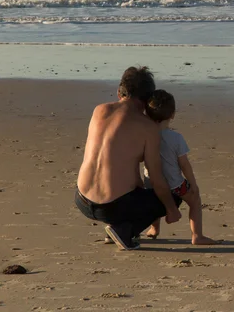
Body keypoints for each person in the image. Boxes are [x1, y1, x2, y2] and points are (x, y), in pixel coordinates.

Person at [75, 66, 182, 251]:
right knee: (174, 195)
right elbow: (157, 179)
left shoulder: (99, 110)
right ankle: (124, 230)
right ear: (148, 99)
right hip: (111, 206)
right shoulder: (148, 128)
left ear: (119, 92)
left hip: (82, 199)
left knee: (126, 186)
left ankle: (115, 228)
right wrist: (172, 209)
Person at [143, 89, 219, 245]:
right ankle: (197, 235)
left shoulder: (145, 136)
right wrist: (193, 184)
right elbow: (184, 164)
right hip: (175, 185)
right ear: (172, 115)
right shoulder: (176, 138)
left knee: (152, 204)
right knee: (195, 201)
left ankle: (154, 229)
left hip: (151, 184)